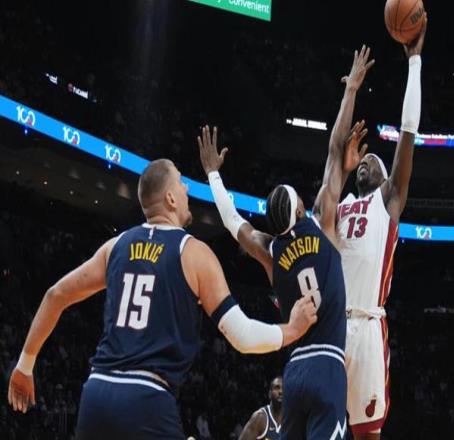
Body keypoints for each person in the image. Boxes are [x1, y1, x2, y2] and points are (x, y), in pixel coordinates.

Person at [7, 159, 317, 440]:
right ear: (170, 198)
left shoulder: (115, 247)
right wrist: (292, 329)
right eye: (181, 182)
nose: (186, 188)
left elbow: (56, 295)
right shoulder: (193, 252)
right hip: (147, 399)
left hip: (97, 393)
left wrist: (24, 365)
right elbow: (243, 336)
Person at [198, 44, 374, 440]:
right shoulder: (321, 222)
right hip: (328, 364)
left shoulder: (270, 250)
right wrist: (350, 90)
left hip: (294, 371)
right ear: (300, 209)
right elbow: (335, 148)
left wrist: (213, 175)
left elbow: (233, 221)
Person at [332, 19, 427, 439]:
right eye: (362, 162)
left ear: (386, 177)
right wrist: (350, 91)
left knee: (367, 434)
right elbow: (333, 157)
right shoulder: (340, 204)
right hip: (333, 324)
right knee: (320, 425)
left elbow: (407, 135)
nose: (365, 162)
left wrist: (415, 64)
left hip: (369, 325)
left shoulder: (387, 202)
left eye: (373, 161)